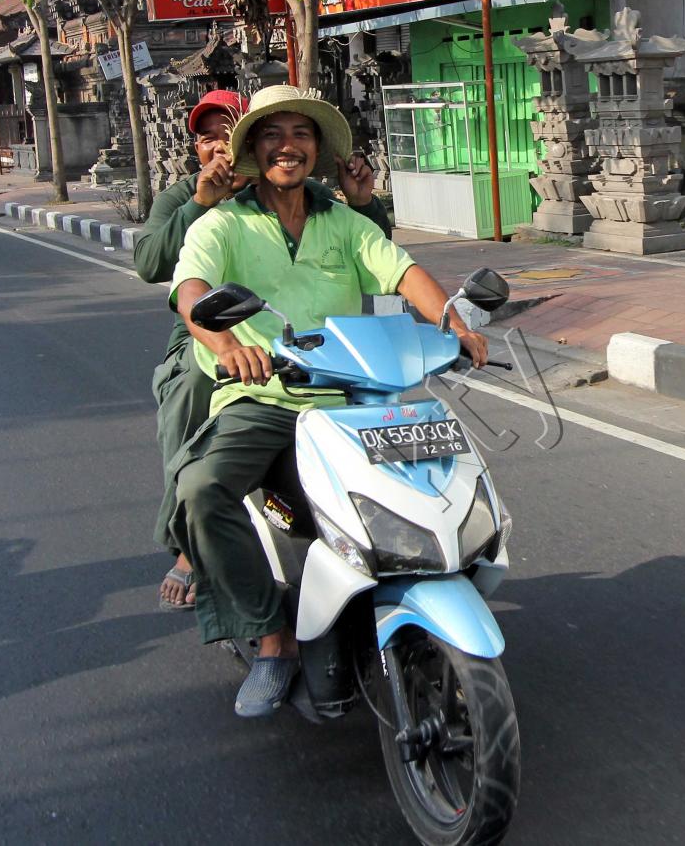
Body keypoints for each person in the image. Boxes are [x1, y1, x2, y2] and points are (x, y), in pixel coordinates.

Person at [168, 85, 489, 717]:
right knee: (203, 489)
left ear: (316, 150)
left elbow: (402, 272)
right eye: (273, 135)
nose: (288, 146)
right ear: (256, 151)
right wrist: (229, 343)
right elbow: (191, 291)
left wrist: (451, 321)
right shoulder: (222, 223)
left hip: (351, 395)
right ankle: (272, 637)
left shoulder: (345, 223)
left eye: (301, 135)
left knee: (425, 480)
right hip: (263, 395)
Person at [135, 89, 391, 611]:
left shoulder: (299, 189)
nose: (217, 145)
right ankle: (190, 542)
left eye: (225, 131)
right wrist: (202, 202)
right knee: (191, 399)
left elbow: (380, 256)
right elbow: (152, 264)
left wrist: (362, 199)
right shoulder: (189, 196)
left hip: (311, 349)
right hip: (215, 333)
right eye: (207, 135)